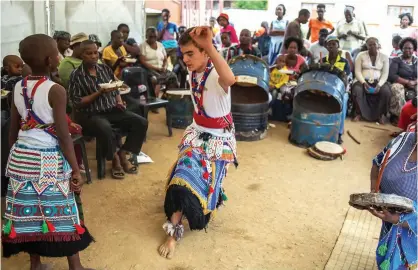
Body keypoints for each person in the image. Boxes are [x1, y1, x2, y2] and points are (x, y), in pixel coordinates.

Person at [2, 34, 93, 269]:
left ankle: (36, 264)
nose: (59, 55)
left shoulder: (17, 87)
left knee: (30, 215)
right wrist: (75, 169)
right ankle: (75, 266)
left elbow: (13, 131)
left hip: (21, 158)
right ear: (50, 60)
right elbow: (63, 137)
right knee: (63, 210)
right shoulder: (56, 90)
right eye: (56, 52)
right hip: (49, 159)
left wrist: (17, 158)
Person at [158, 26, 237, 259]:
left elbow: (230, 79)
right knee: (183, 175)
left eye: (190, 53)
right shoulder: (193, 73)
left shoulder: (216, 74)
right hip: (196, 133)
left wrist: (210, 46)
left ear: (205, 53)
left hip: (219, 139)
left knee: (204, 183)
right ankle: (173, 234)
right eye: (183, 55)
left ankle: (195, 208)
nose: (185, 59)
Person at [69, 40, 148, 179]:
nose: (94, 56)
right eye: (89, 53)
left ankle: (124, 152)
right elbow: (77, 102)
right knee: (105, 127)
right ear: (81, 55)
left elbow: (115, 86)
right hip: (90, 114)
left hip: (111, 110)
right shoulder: (76, 75)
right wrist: (99, 93)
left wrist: (118, 101)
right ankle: (115, 159)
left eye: (95, 53)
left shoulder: (104, 69)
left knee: (140, 122)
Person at [369, 130, 417, 270]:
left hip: (414, 238)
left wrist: (399, 219)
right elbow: (377, 163)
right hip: (389, 226)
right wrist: (374, 191)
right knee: (387, 261)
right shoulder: (402, 140)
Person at [352, 37, 390, 124]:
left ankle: (380, 115)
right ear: (367, 46)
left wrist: (379, 85)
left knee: (386, 91)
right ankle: (359, 113)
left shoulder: (384, 57)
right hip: (362, 80)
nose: (372, 46)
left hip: (379, 81)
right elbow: (357, 71)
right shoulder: (360, 55)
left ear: (378, 45)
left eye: (374, 44)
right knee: (357, 90)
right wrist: (364, 82)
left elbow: (385, 74)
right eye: (370, 45)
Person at [321, 36, 351, 144]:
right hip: (325, 88)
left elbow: (345, 79)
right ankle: (321, 129)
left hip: (340, 89)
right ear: (326, 47)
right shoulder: (323, 60)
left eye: (334, 44)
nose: (332, 46)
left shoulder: (344, 62)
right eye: (330, 44)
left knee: (342, 102)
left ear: (338, 46)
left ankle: (338, 133)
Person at [139, 27, 179, 97]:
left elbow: (165, 59)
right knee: (156, 78)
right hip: (149, 70)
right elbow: (143, 61)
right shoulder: (143, 46)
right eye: (150, 36)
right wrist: (156, 68)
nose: (153, 38)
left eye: (155, 36)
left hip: (161, 69)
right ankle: (154, 98)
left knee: (173, 77)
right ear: (146, 36)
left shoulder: (160, 45)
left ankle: (168, 96)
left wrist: (164, 67)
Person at [388, 37, 418, 123]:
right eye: (405, 48)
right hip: (399, 83)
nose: (407, 50)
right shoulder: (396, 60)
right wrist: (407, 82)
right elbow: (392, 75)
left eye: (410, 48)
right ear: (401, 49)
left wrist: (415, 82)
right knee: (396, 89)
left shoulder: (417, 61)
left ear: (414, 49)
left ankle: (415, 115)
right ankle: (399, 116)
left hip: (414, 83)